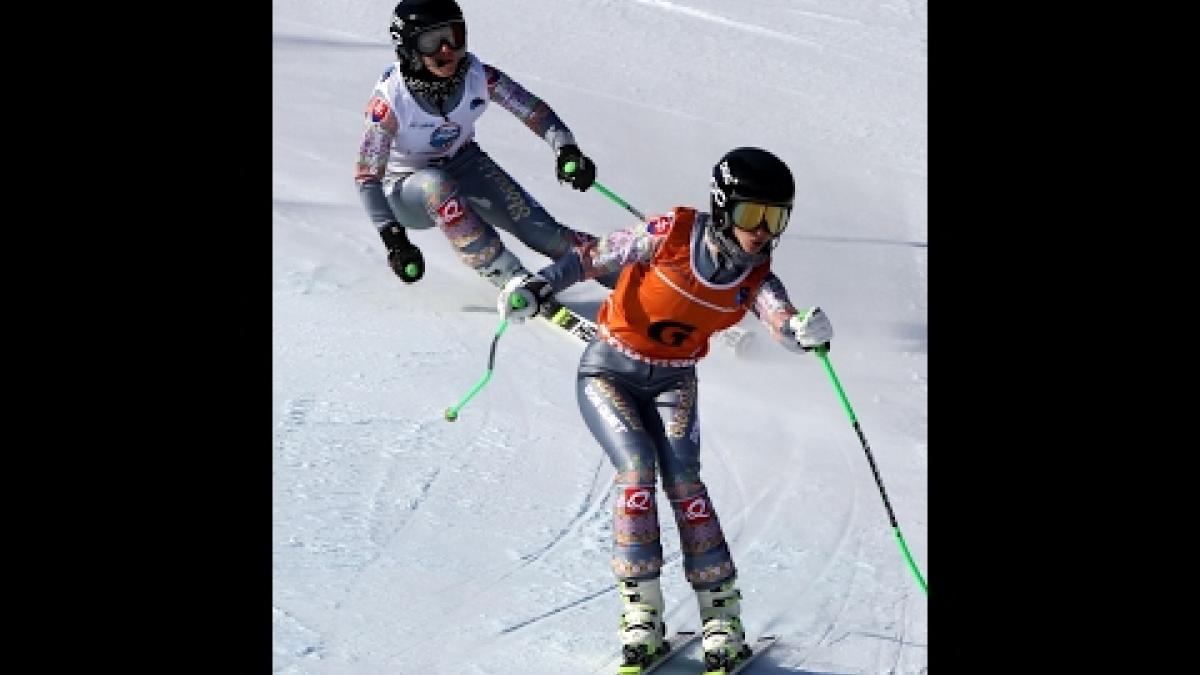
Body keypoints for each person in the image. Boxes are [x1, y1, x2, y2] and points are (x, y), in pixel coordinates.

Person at [496, 147, 834, 671]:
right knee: (636, 473)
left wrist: (802, 331)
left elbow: (781, 319)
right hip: (610, 370)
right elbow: (593, 257)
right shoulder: (671, 233)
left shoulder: (756, 278)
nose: (762, 231)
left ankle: (721, 617)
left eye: (775, 218)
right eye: (751, 215)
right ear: (723, 208)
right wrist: (539, 285)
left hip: (674, 380)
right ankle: (641, 615)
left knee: (686, 484)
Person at [354, 0, 611, 291]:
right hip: (406, 190)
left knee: (544, 233)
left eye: (454, 35)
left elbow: (534, 111)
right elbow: (367, 178)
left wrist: (566, 149)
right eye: (431, 41)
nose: (447, 49)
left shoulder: (480, 77)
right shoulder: (389, 103)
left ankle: (628, 270)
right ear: (409, 47)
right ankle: (511, 278)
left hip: (465, 164)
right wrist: (394, 240)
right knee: (435, 185)